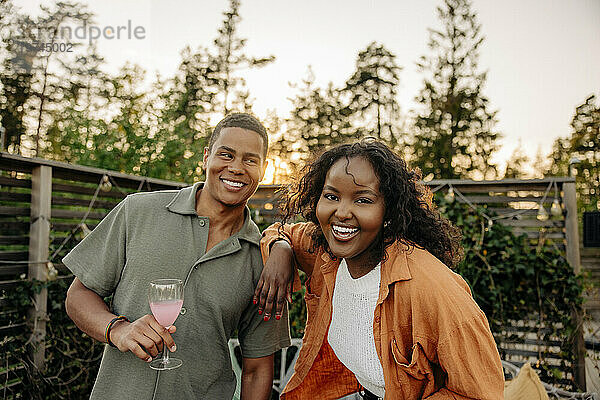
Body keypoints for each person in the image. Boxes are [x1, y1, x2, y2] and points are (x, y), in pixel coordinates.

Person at [254, 139, 504, 399]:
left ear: (390, 212)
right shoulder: (325, 250)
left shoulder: (431, 288)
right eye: (331, 196)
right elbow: (285, 232)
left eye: (362, 200)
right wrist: (280, 249)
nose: (342, 212)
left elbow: (480, 393)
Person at [64, 113, 290, 400]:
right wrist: (118, 330)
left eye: (249, 160)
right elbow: (78, 295)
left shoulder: (263, 259)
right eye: (226, 154)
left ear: (264, 169)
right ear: (206, 157)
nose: (236, 168)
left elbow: (257, 369)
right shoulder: (136, 212)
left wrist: (282, 248)